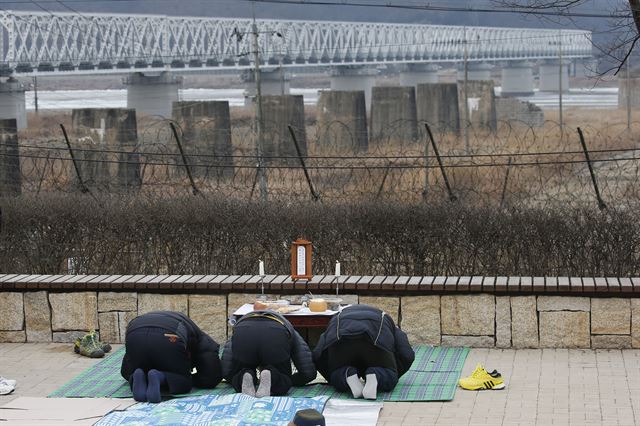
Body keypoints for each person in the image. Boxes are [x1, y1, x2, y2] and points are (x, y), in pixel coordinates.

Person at [313, 304, 415, 400]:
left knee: (339, 372)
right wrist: (394, 372)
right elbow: (407, 355)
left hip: (341, 343)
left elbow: (317, 353)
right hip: (375, 344)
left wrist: (331, 375)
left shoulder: (337, 317)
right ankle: (376, 375)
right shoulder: (384, 317)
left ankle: (347, 375)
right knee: (388, 375)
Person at [120, 311, 222, 403]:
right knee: (183, 381)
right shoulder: (199, 337)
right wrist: (197, 379)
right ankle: (160, 377)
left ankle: (137, 376)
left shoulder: (180, 322)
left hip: (134, 333)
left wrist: (131, 374)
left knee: (141, 364)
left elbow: (125, 371)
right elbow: (211, 370)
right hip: (170, 335)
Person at [221, 310, 316, 397]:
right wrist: (291, 380)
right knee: (282, 378)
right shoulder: (287, 328)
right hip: (276, 335)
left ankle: (244, 376)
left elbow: (226, 368)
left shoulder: (239, 327)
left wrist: (233, 379)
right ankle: (271, 376)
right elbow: (307, 370)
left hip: (244, 333)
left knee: (240, 371)